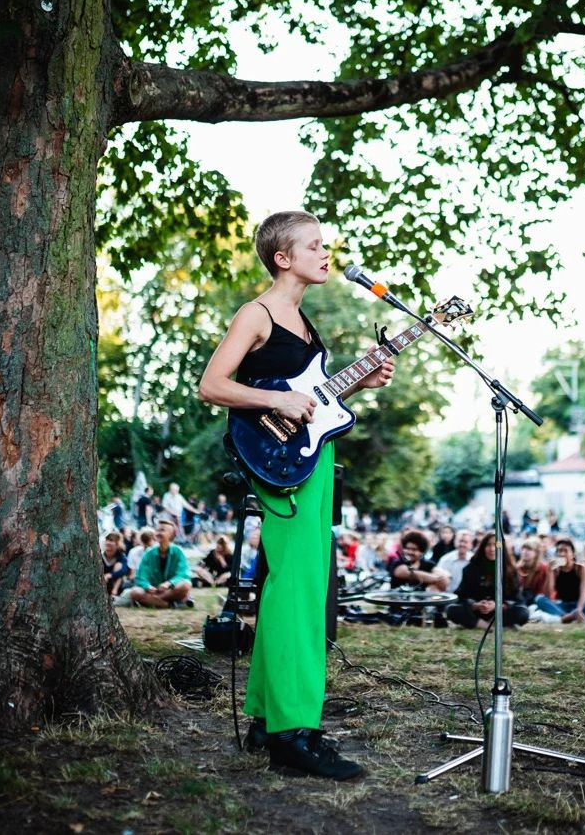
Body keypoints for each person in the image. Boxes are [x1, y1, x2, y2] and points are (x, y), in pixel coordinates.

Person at [197, 209, 395, 780]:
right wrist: (275, 401)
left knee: (291, 584)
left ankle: (266, 719)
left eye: (324, 244)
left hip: (313, 458)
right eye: (314, 246)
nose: (326, 253)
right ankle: (295, 733)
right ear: (282, 258)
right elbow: (212, 385)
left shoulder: (303, 321)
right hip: (280, 464)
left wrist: (362, 381)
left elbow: (308, 396)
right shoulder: (256, 314)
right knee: (300, 591)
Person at [447, 532, 529, 630]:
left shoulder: (511, 570)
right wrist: (475, 605)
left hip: (500, 612)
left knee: (523, 612)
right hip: (477, 611)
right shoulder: (470, 569)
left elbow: (518, 599)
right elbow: (461, 595)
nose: (492, 549)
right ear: (483, 547)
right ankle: (485, 626)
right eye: (488, 545)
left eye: (495, 545)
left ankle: (492, 623)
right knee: (451, 609)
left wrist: (498, 605)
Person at [535, 538, 585, 623]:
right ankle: (569, 617)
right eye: (559, 551)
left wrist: (579, 610)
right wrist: (550, 572)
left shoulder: (581, 567)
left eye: (565, 551)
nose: (562, 554)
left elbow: (584, 592)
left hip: (581, 605)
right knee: (539, 599)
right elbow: (547, 595)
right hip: (564, 606)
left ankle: (565, 618)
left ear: (573, 554)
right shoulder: (555, 569)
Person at [131, 518, 193, 608]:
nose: (158, 533)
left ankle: (154, 601)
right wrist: (147, 586)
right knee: (135, 592)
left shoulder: (178, 551)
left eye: (162, 530)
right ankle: (170, 605)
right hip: (153, 590)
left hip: (171, 589)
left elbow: (183, 574)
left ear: (171, 534)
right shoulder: (149, 553)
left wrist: (169, 583)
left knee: (186, 585)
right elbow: (140, 577)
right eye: (157, 530)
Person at [436, 529, 473, 593]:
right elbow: (438, 578)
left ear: (471, 544)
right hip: (448, 595)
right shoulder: (446, 559)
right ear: (455, 542)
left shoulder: (474, 560)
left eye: (465, 542)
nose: (462, 544)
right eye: (460, 541)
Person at [516, 536, 550, 605]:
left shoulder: (543, 568)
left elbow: (544, 592)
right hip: (520, 600)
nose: (524, 551)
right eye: (523, 549)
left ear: (536, 553)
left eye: (529, 549)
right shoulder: (518, 567)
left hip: (538, 601)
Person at [101, 531, 129, 598]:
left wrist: (110, 575)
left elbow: (124, 570)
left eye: (111, 540)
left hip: (115, 583)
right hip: (103, 582)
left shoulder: (121, 556)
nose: (108, 542)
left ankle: (114, 594)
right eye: (107, 540)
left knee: (118, 566)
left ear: (117, 543)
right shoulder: (101, 556)